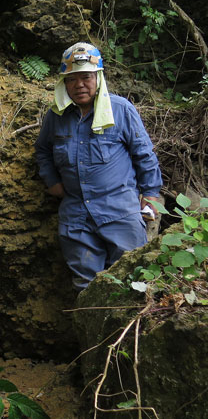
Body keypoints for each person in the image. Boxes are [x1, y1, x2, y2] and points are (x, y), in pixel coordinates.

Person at [35, 42, 163, 290]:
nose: (79, 84)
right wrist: (52, 181)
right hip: (76, 216)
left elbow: (144, 154)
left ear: (98, 78)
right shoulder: (56, 116)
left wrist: (150, 194)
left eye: (86, 77)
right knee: (86, 286)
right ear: (64, 83)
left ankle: (127, 329)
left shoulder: (120, 109)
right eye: (72, 79)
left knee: (131, 281)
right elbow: (43, 149)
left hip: (120, 210)